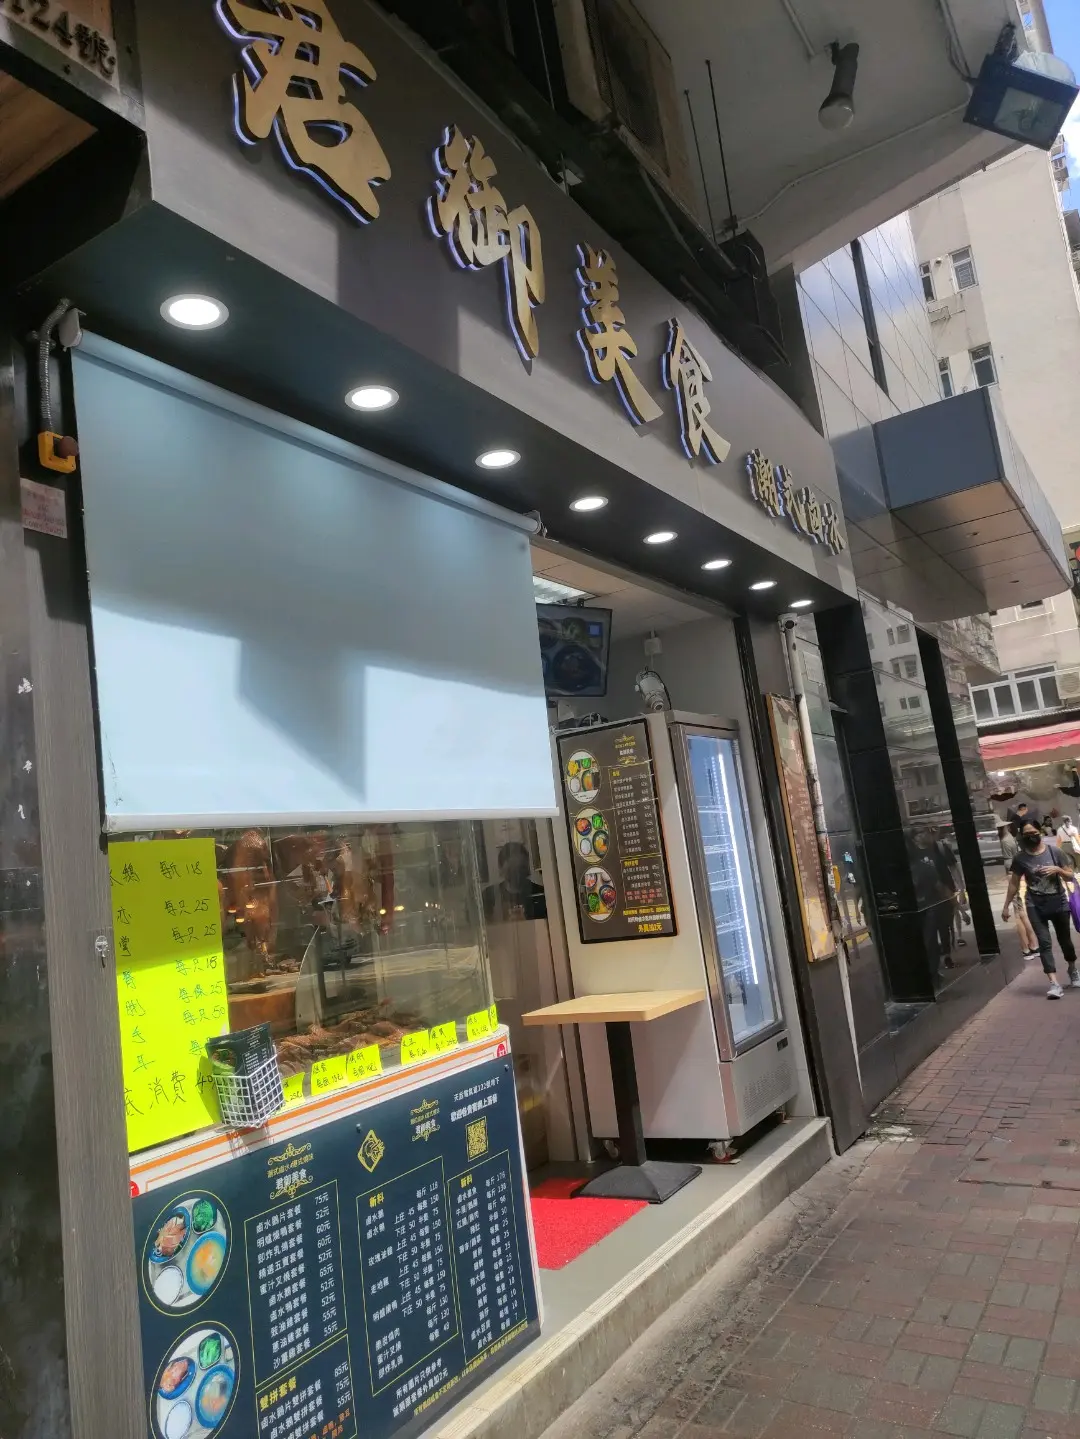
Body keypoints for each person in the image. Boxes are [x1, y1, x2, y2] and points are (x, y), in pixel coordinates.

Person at [1001, 819, 1078, 998]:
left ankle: (1073, 970)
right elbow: (1014, 883)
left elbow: (1070, 876)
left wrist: (1058, 870)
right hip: (1035, 904)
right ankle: (1054, 983)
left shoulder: (1055, 852)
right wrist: (1006, 906)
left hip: (1058, 902)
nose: (1031, 837)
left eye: (1033, 833)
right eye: (1026, 834)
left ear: (1040, 832)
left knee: (1065, 940)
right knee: (1044, 943)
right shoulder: (1020, 858)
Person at [482, 841, 547, 922]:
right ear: (501, 868)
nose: (517, 874)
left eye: (521, 868)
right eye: (512, 869)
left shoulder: (540, 894)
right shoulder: (489, 896)